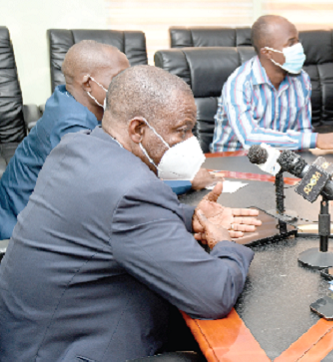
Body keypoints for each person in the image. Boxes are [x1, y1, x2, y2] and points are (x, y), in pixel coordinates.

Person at [0, 65, 261, 361]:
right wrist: (226, 244)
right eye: (182, 130)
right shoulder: (131, 190)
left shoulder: (76, 146)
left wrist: (193, 219)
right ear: (137, 129)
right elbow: (214, 294)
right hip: (62, 351)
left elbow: (111, 220)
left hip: (29, 335)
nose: (191, 142)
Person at [0, 40, 216, 240]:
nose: (127, 86)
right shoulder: (72, 127)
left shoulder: (70, 99)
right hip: (21, 228)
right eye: (118, 78)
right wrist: (186, 182)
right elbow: (114, 190)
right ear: (88, 84)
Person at [210, 14, 333, 155]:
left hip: (278, 160)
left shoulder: (301, 79)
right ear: (267, 53)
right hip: (233, 162)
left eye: (298, 41)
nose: (299, 47)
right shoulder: (239, 83)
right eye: (291, 43)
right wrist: (315, 139)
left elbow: (302, 132)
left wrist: (326, 149)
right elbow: (250, 139)